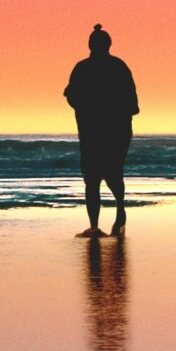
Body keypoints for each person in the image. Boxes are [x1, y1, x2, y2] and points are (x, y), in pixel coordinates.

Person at [64, 24, 139, 238]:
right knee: (113, 173)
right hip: (116, 132)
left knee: (92, 178)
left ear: (91, 44)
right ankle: (118, 209)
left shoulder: (82, 68)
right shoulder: (119, 67)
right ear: (108, 44)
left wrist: (87, 107)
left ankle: (95, 225)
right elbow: (133, 105)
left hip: (92, 131)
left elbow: (71, 97)